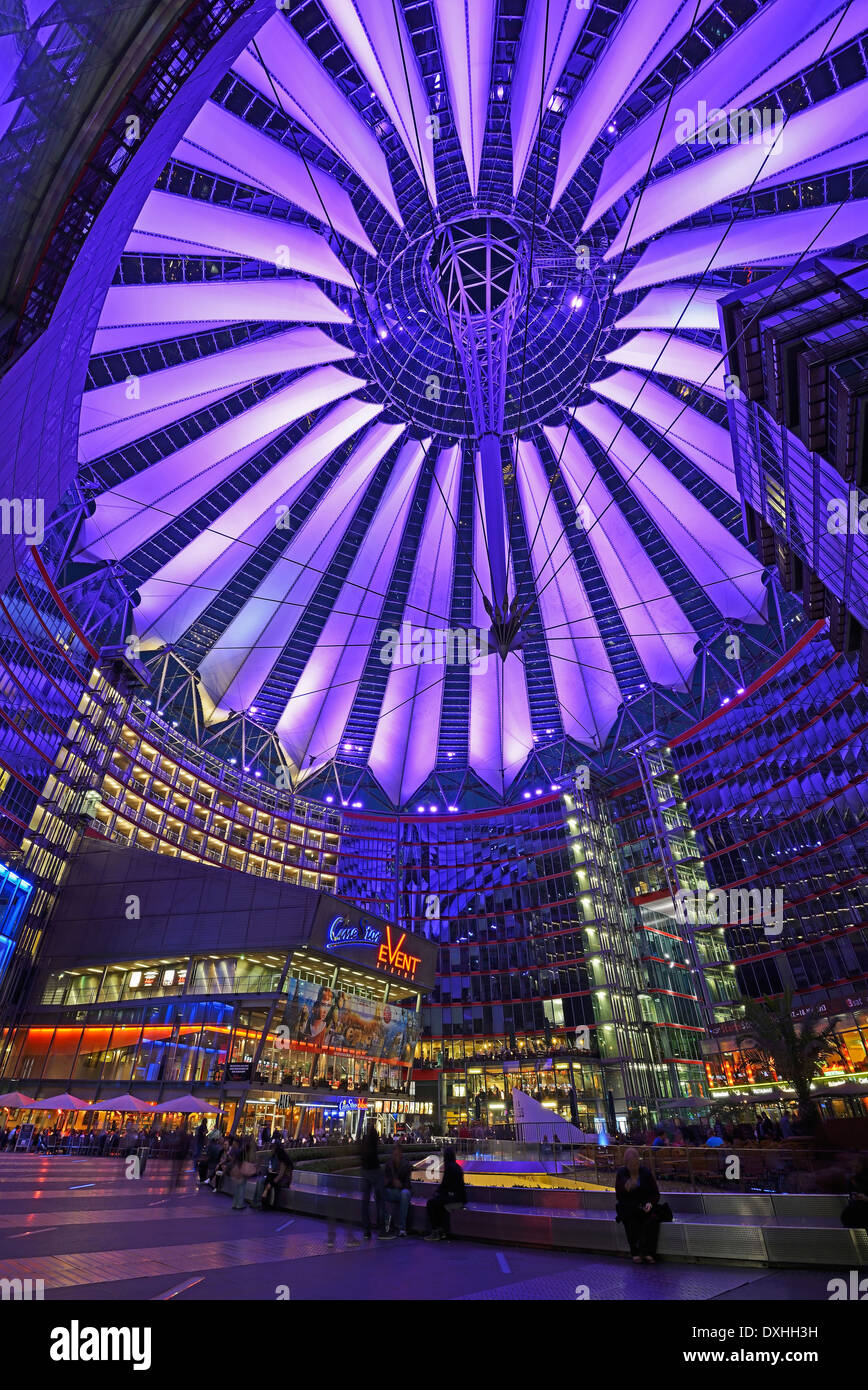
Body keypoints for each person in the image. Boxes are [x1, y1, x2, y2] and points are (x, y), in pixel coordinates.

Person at [615, 1146, 662, 1264]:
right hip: (629, 1207)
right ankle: (635, 1252)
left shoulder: (645, 1172)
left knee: (652, 1221)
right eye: (631, 1165)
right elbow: (620, 1195)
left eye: (635, 1165)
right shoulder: (622, 1173)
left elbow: (655, 1193)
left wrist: (650, 1203)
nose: (634, 1168)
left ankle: (648, 1252)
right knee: (631, 1220)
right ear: (626, 1164)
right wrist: (626, 1188)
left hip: (646, 1206)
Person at [425, 1147, 467, 1241]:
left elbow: (445, 1185)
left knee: (431, 1203)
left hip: (455, 1199)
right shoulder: (456, 1166)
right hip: (460, 1198)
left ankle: (436, 1230)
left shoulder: (450, 1167)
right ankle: (442, 1231)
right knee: (440, 1203)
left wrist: (437, 1193)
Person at [359, 1117, 384, 1239]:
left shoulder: (364, 1140)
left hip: (365, 1170)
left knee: (365, 1201)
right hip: (374, 1170)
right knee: (380, 1199)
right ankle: (381, 1228)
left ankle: (366, 1230)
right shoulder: (374, 1139)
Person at [381, 1142, 412, 1238]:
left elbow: (408, 1184)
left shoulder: (406, 1165)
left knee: (405, 1194)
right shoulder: (389, 1164)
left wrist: (400, 1185)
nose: (395, 1156)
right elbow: (385, 1181)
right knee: (378, 1193)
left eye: (397, 1154)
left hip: (403, 1191)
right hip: (391, 1191)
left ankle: (402, 1228)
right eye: (394, 1154)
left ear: (401, 1154)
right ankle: (387, 1220)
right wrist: (391, 1182)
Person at [255, 1143, 293, 1210]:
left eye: (272, 1150)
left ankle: (266, 1202)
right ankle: (265, 1203)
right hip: (280, 1177)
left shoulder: (283, 1161)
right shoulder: (276, 1159)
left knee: (270, 1182)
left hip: (285, 1180)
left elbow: (280, 1175)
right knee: (268, 1179)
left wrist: (271, 1183)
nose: (271, 1151)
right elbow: (274, 1171)